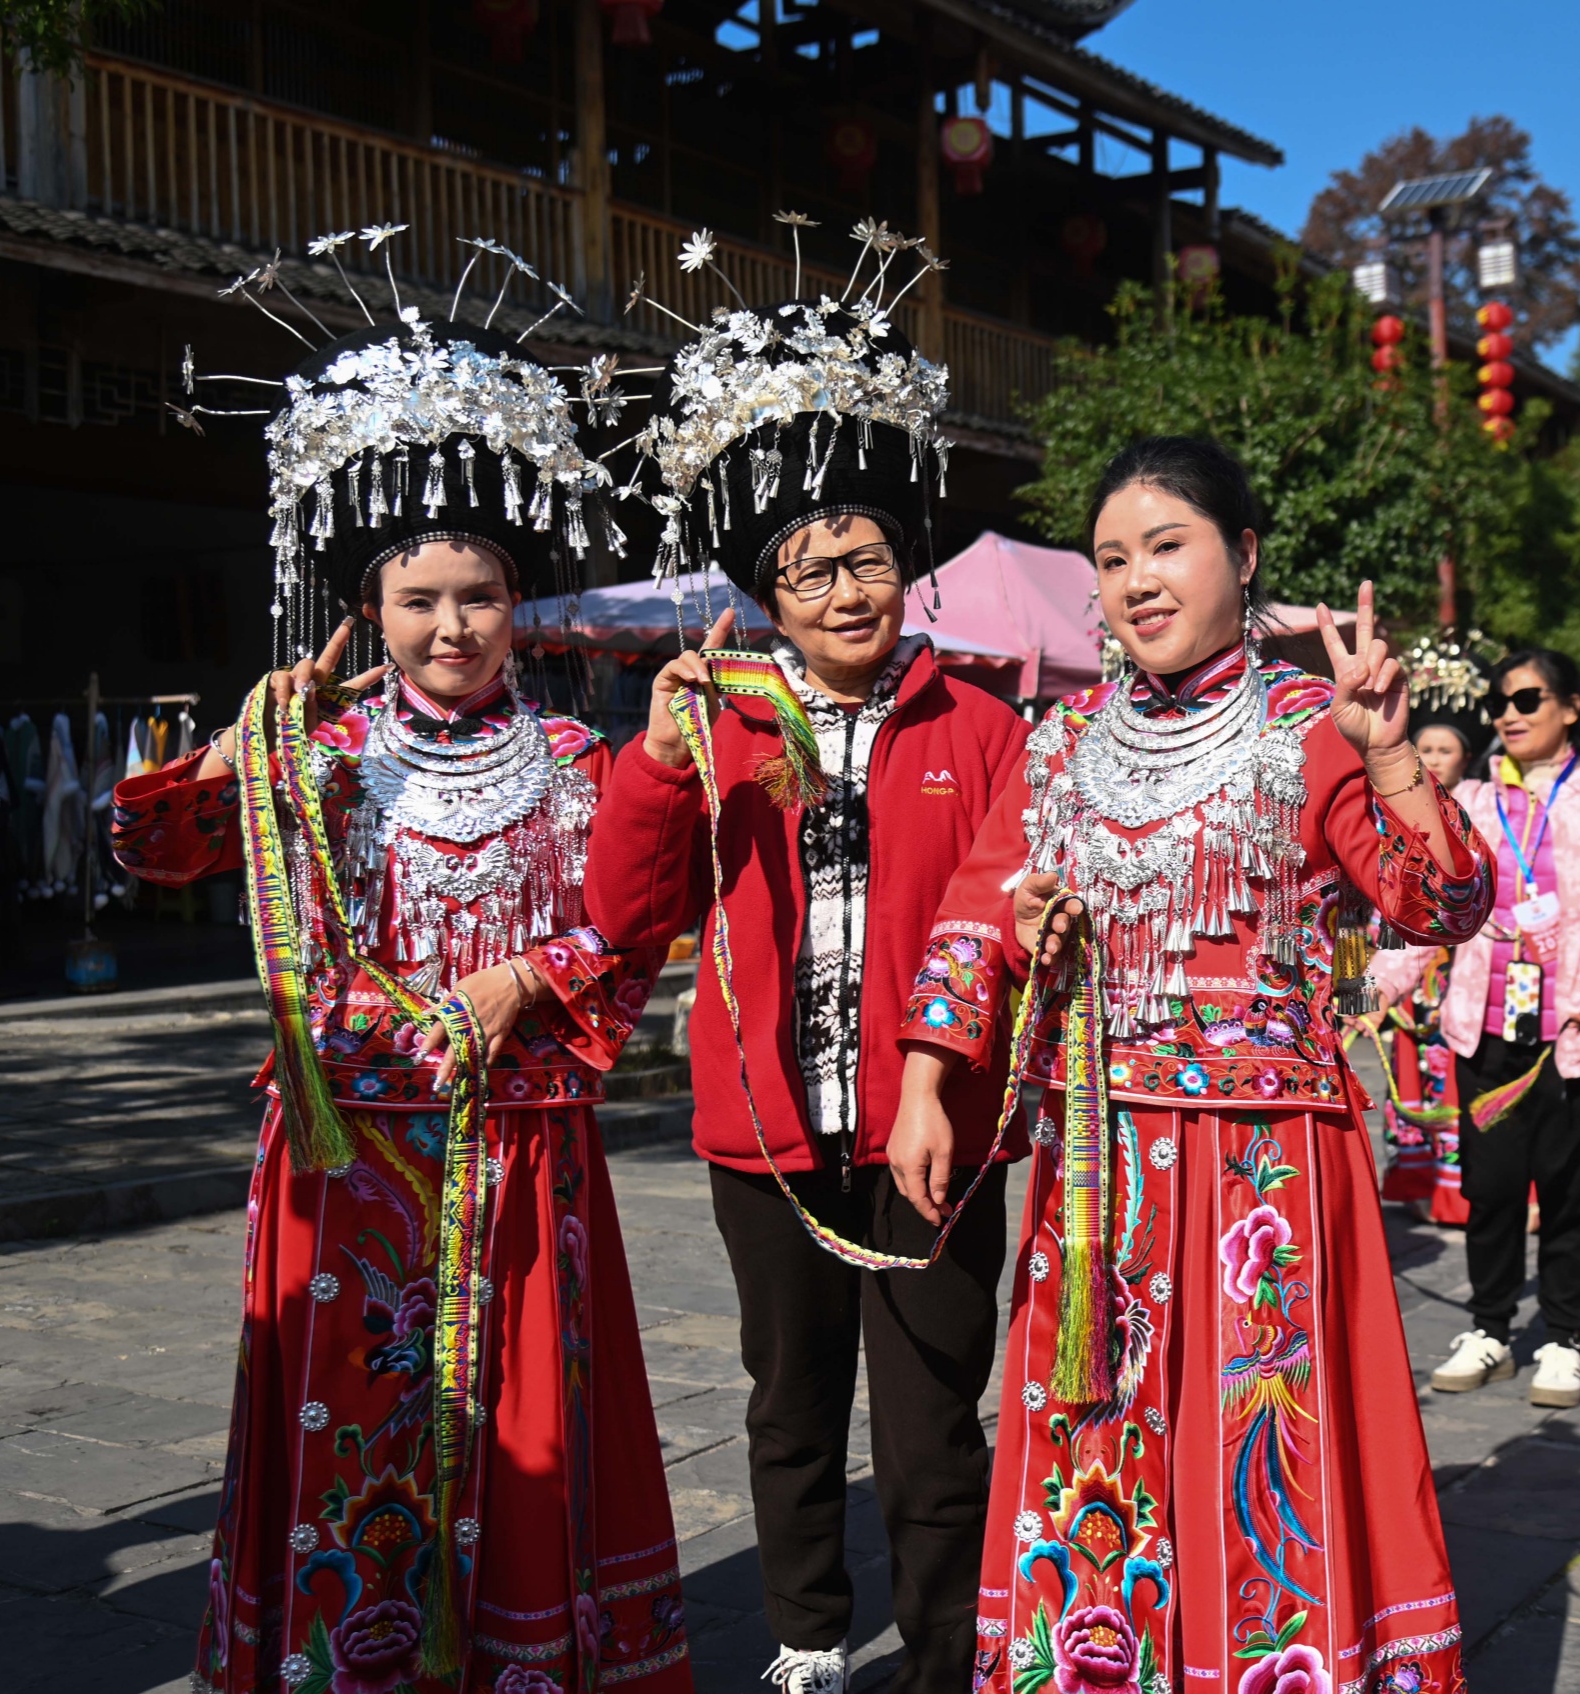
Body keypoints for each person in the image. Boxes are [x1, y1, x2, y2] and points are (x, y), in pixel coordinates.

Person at [111, 282, 692, 1691]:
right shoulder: (313, 745)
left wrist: (522, 984)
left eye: (479, 595)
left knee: (525, 1422)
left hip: (519, 1148)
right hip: (351, 1154)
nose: (453, 624)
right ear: (368, 606)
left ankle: (520, 1656)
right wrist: (248, 744)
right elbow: (156, 846)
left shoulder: (567, 752)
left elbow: (625, 929)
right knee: (355, 1427)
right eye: (419, 599)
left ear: (517, 603)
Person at [888, 436, 1491, 1694]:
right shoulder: (1059, 746)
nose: (1136, 582)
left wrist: (1388, 757)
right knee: (1097, 1441)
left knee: (1257, 1443)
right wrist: (926, 1080)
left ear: (1246, 557)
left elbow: (1438, 906)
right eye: (1112, 560)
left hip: (1264, 1181)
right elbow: (971, 915)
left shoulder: (1305, 729)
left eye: (1168, 546)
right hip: (1097, 1173)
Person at [581, 243, 1031, 1694]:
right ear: (763, 589)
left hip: (934, 1127)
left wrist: (940, 1075)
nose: (847, 590)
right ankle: (806, 1636)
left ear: (909, 562)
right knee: (788, 1402)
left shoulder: (979, 722)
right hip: (766, 1129)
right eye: (810, 568)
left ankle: (948, 1651)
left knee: (932, 1409)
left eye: (870, 558)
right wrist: (654, 770)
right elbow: (628, 912)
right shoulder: (714, 714)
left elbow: (996, 898)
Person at [1427, 647, 1580, 1403]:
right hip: (1487, 1027)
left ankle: (1563, 1336)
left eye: (1529, 699)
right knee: (1490, 1189)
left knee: (1570, 1191)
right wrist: (1367, 986)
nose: (1510, 714)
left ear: (1569, 708)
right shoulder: (1471, 799)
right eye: (1501, 702)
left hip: (1577, 1034)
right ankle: (1491, 1326)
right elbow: (1435, 906)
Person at [1370, 647, 1493, 1222]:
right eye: (1429, 748)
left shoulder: (1475, 810)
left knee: (1448, 1081)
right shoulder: (1387, 807)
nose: (1437, 758)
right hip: (1395, 960)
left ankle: (1456, 1191)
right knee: (1404, 1079)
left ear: (1468, 756)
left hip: (1452, 969)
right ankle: (1413, 1183)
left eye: (1448, 749)